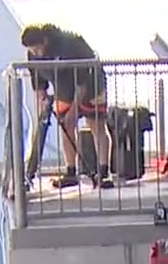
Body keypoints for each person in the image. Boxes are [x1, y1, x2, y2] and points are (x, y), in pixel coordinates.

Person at [20, 23, 114, 190]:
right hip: (63, 87)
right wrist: (41, 98)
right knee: (66, 126)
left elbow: (82, 82)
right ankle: (71, 172)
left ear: (45, 41)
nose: (35, 53)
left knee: (96, 125)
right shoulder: (33, 55)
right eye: (31, 50)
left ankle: (103, 171)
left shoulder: (68, 45)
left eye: (37, 49)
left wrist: (75, 109)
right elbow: (38, 80)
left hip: (90, 84)